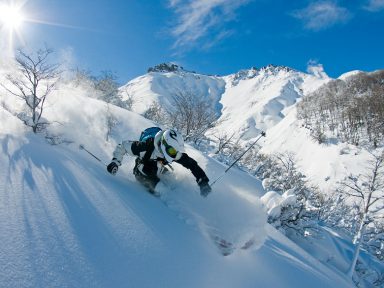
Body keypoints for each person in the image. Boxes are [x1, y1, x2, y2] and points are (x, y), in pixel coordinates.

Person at [107, 128, 212, 197]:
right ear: (164, 144)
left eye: (176, 151)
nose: (174, 154)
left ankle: (166, 189)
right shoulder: (145, 147)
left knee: (170, 180)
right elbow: (123, 147)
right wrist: (115, 162)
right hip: (142, 169)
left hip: (159, 166)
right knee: (160, 188)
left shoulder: (173, 152)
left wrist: (202, 180)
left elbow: (191, 164)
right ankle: (158, 198)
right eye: (171, 151)